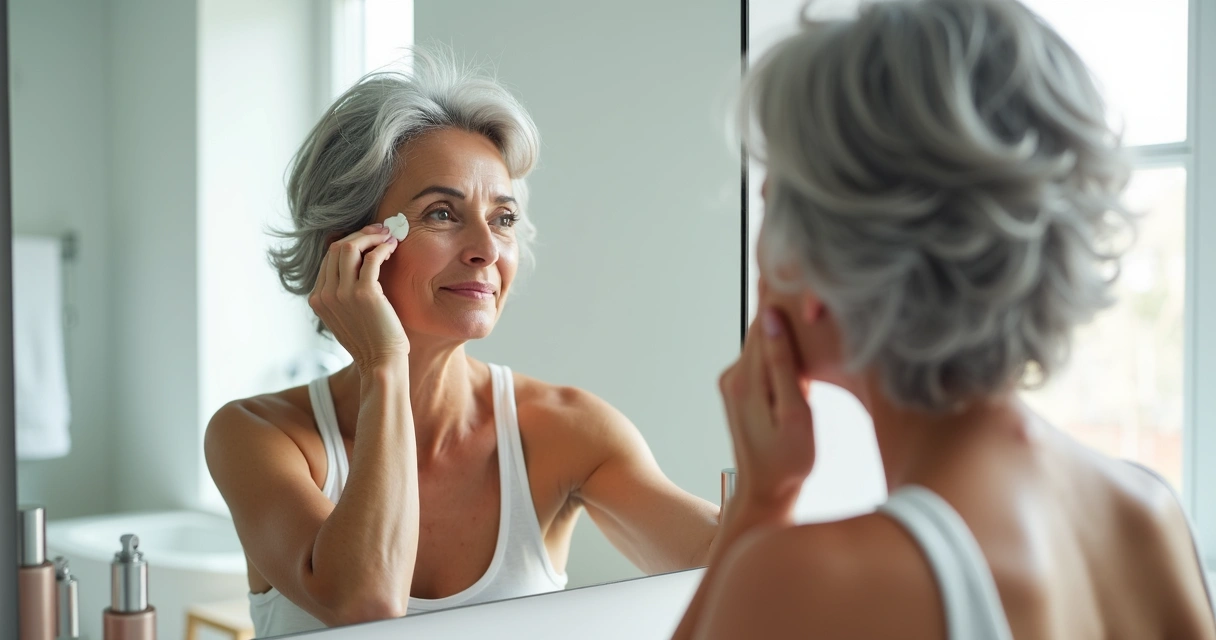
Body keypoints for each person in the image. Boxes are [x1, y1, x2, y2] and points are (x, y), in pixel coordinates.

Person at [675, 0, 1216, 637]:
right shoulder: (1147, 513)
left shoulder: (818, 579)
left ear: (820, 265)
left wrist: (759, 506)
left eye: (772, 209)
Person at [204, 52, 719, 638]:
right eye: (442, 213)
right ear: (347, 243)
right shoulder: (257, 436)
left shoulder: (565, 431)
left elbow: (729, 570)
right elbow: (365, 605)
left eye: (502, 219)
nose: (486, 249)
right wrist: (384, 368)